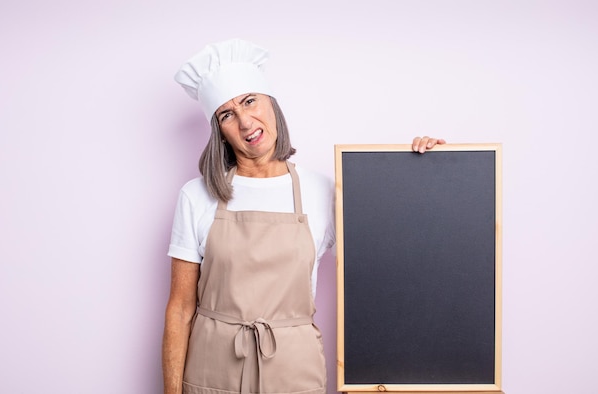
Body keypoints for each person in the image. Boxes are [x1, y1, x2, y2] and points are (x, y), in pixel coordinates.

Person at [162, 38, 445, 394]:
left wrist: (435, 172)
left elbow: (394, 261)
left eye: (250, 101)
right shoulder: (196, 195)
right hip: (212, 369)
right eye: (227, 114)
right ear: (219, 130)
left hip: (294, 370)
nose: (245, 121)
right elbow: (180, 309)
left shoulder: (324, 190)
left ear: (272, 105)